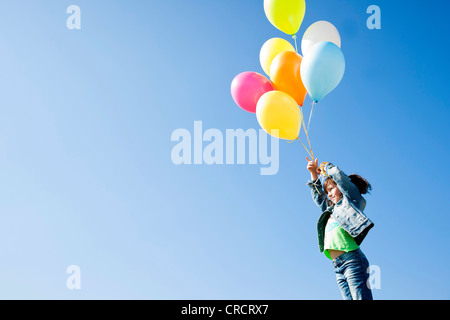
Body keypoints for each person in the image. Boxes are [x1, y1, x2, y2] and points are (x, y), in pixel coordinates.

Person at [306, 157, 374, 300]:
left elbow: (341, 179)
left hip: (352, 260)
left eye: (331, 189)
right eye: (327, 191)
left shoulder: (352, 202)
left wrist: (326, 168)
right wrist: (313, 174)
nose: (329, 193)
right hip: (337, 266)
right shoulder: (331, 210)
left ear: (342, 189)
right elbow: (319, 197)